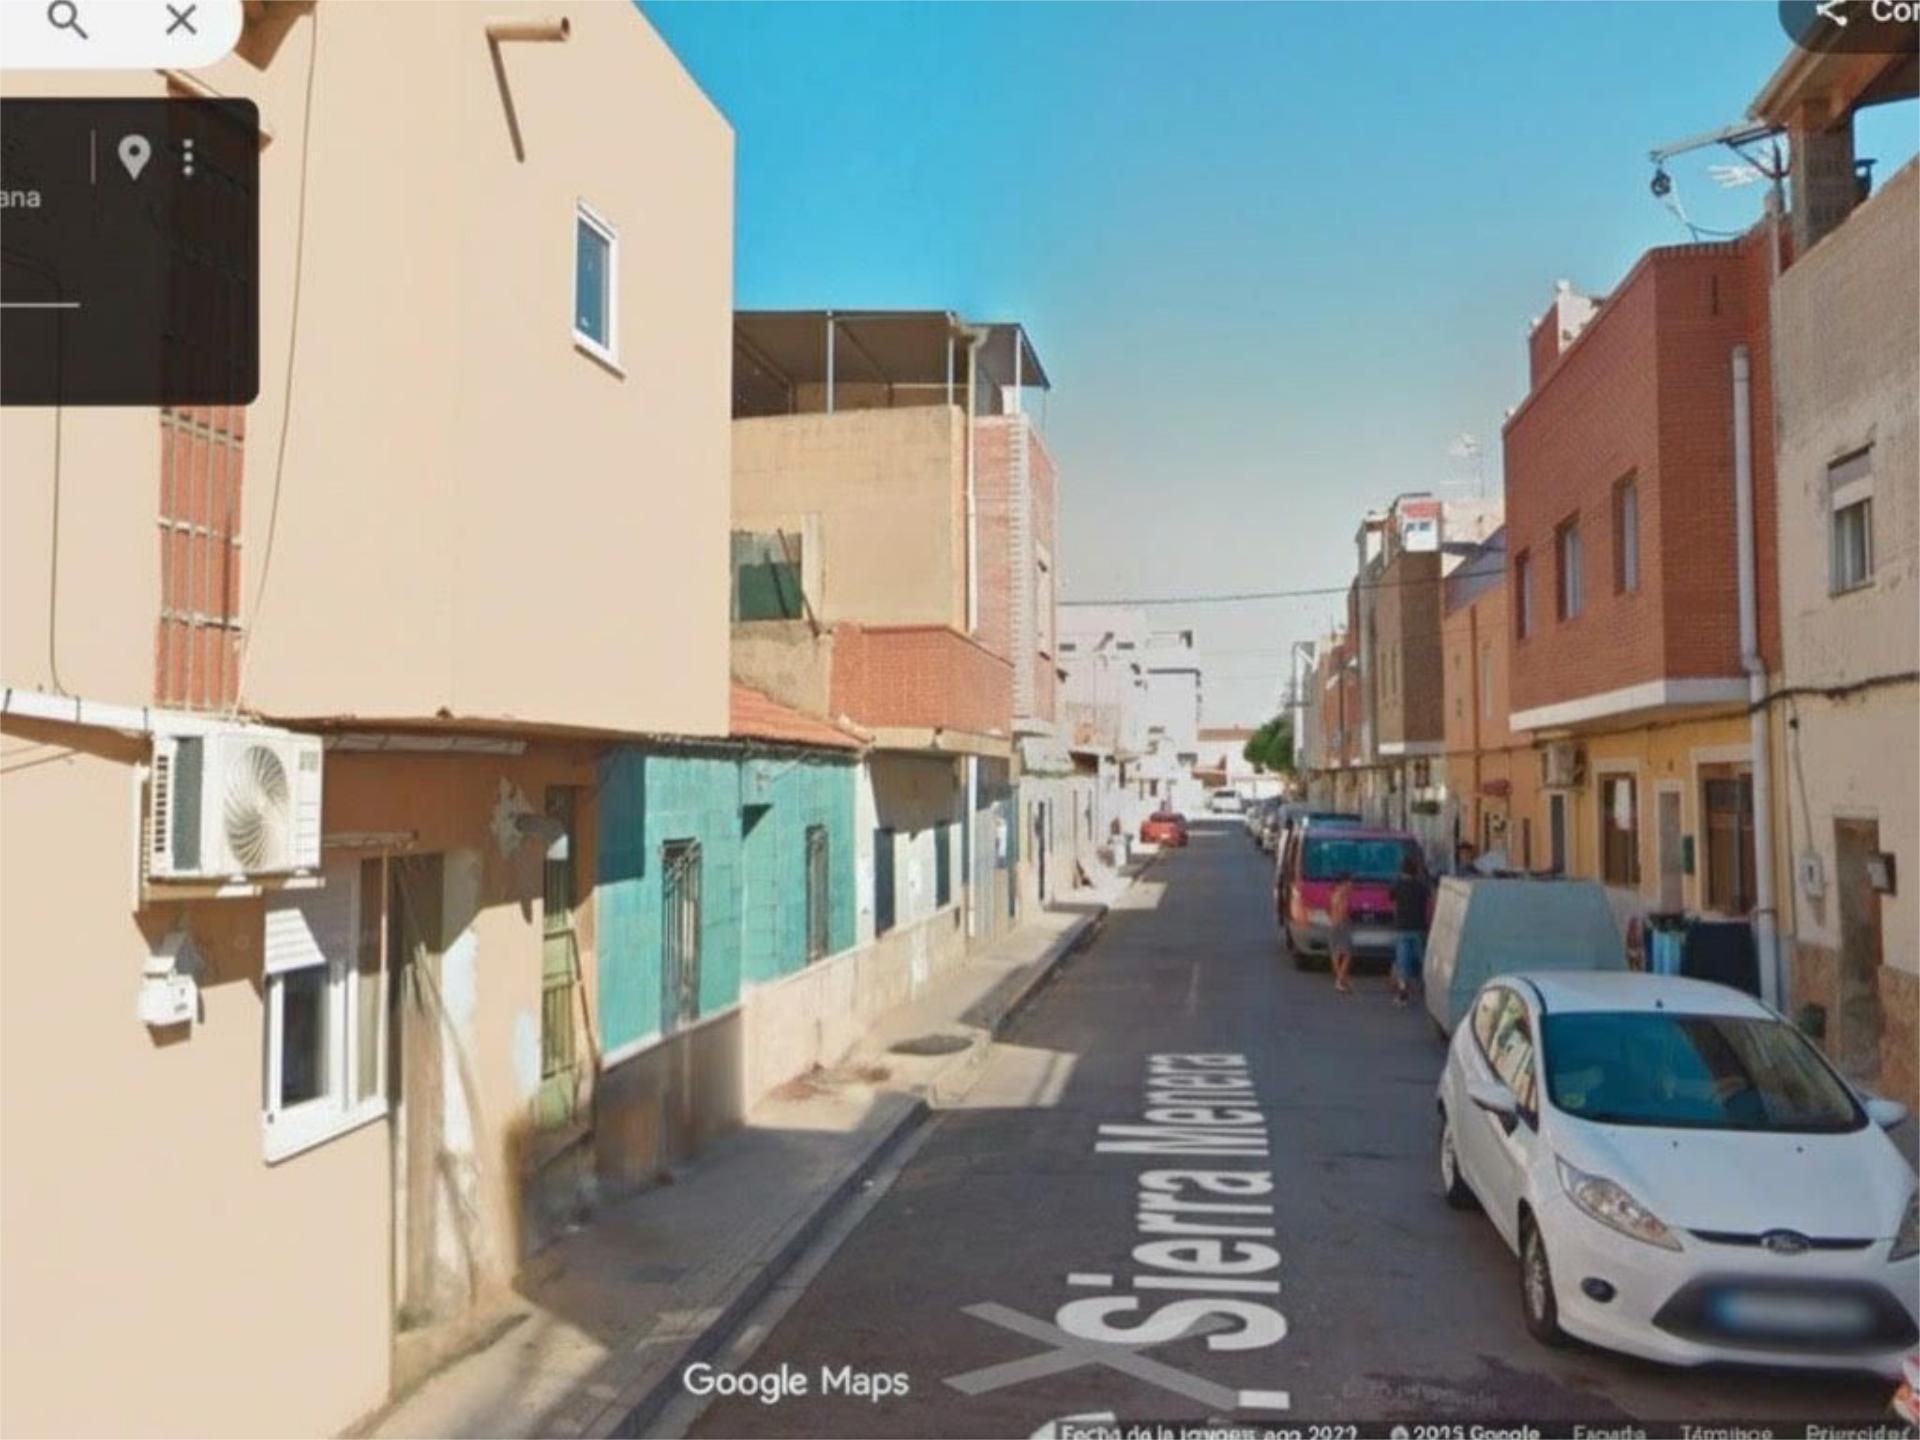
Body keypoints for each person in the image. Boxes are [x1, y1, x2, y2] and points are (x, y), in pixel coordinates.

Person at [1390, 854, 1431, 1007]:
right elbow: (1429, 905)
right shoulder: (1421, 886)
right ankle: (1428, 989)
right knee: (1422, 960)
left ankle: (1403, 994)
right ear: (1416, 871)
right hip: (1419, 928)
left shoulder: (1397, 885)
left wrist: (1396, 917)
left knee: (1403, 962)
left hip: (1401, 928)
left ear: (1402, 871)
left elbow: (1392, 903)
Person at [1328, 872, 1355, 995]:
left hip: (1334, 924)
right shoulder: (1343, 896)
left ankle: (1340, 979)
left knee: (1336, 953)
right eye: (1350, 882)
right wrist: (1348, 920)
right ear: (1344, 882)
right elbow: (1343, 911)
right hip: (1342, 925)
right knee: (1347, 954)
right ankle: (1340, 980)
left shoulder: (1333, 894)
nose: (1351, 885)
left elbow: (1328, 910)